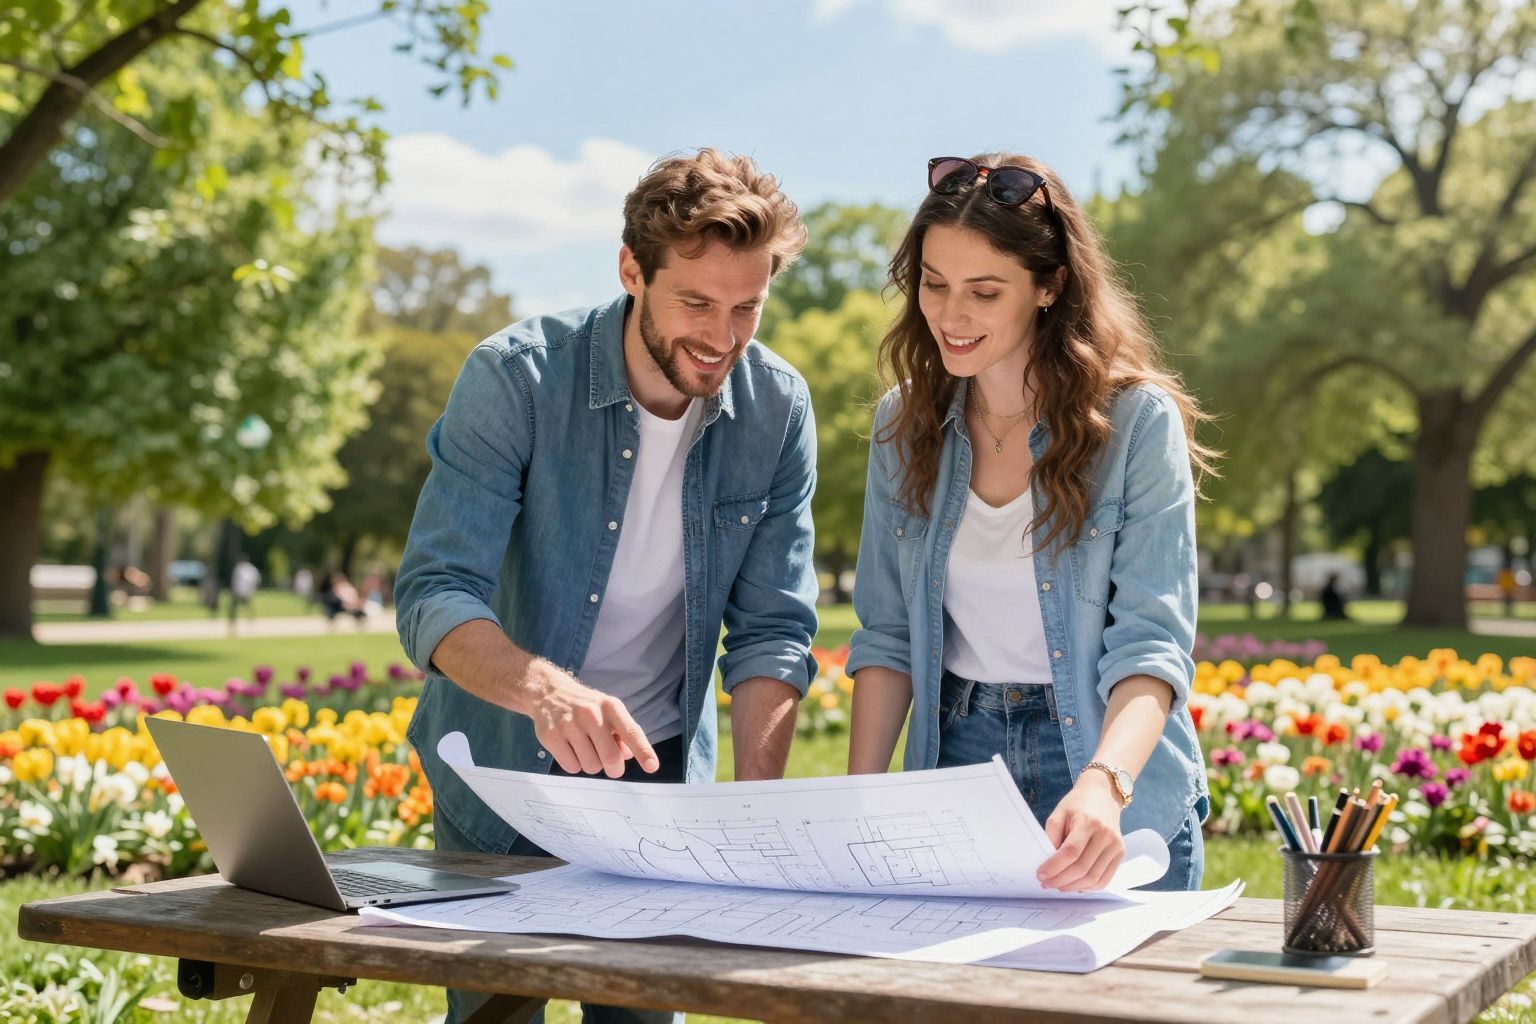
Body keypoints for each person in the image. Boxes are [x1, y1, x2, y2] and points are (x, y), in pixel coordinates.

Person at [394, 149, 819, 1024]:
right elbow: (436, 591)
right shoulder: (515, 378)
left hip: (655, 787)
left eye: (746, 307)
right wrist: (548, 694)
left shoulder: (777, 409)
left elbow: (773, 632)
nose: (722, 336)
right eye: (696, 303)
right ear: (632, 271)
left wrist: (757, 820)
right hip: (504, 767)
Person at [846, 154, 1218, 895]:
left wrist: (1104, 785)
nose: (950, 316)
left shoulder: (1136, 422)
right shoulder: (902, 425)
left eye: (984, 292)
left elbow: (1151, 644)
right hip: (959, 762)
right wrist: (859, 803)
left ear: (1050, 287)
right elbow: (887, 635)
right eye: (933, 284)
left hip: (1105, 765)